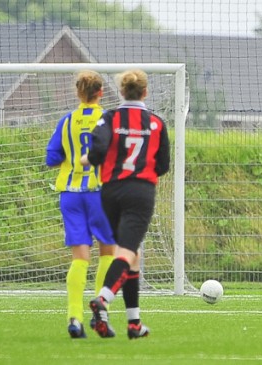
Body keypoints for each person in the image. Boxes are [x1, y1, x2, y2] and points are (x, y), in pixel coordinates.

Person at [82, 69, 170, 339]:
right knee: (128, 251)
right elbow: (163, 165)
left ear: (121, 92)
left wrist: (90, 159)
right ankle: (103, 299)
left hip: (110, 191)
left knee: (132, 254)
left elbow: (97, 150)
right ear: (145, 92)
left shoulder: (109, 117)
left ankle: (134, 323)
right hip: (140, 192)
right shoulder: (156, 122)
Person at [45, 70, 117, 339]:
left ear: (78, 92)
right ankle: (101, 314)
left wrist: (71, 157)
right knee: (107, 252)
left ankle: (74, 317)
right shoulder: (108, 120)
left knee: (80, 257)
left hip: (71, 195)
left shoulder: (66, 121)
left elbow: (52, 157)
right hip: (100, 193)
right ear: (101, 93)